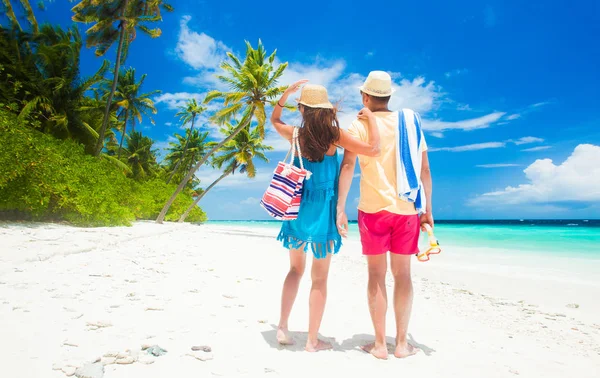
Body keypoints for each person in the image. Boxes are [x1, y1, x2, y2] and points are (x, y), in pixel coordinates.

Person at [270, 80, 381, 352]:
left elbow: (274, 119)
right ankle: (311, 340)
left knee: (295, 270)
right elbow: (373, 149)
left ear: (303, 109)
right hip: (324, 211)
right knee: (319, 278)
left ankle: (282, 327)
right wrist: (371, 121)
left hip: (297, 207)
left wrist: (285, 94)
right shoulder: (335, 135)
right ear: (326, 109)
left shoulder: (295, 134)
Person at [336, 71, 434, 359]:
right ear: (388, 97)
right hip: (407, 209)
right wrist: (428, 210)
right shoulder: (411, 123)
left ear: (366, 96)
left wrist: (340, 208)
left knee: (376, 274)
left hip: (372, 209)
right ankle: (402, 345)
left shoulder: (359, 124)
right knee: (403, 275)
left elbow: (347, 167)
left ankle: (380, 345)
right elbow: (424, 170)